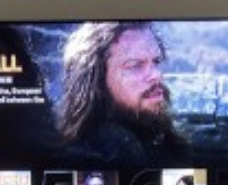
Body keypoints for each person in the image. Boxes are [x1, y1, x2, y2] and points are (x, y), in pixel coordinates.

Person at [57, 21, 190, 167]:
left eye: (156, 62)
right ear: (97, 80)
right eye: (135, 65)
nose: (156, 75)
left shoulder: (150, 136)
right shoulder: (106, 153)